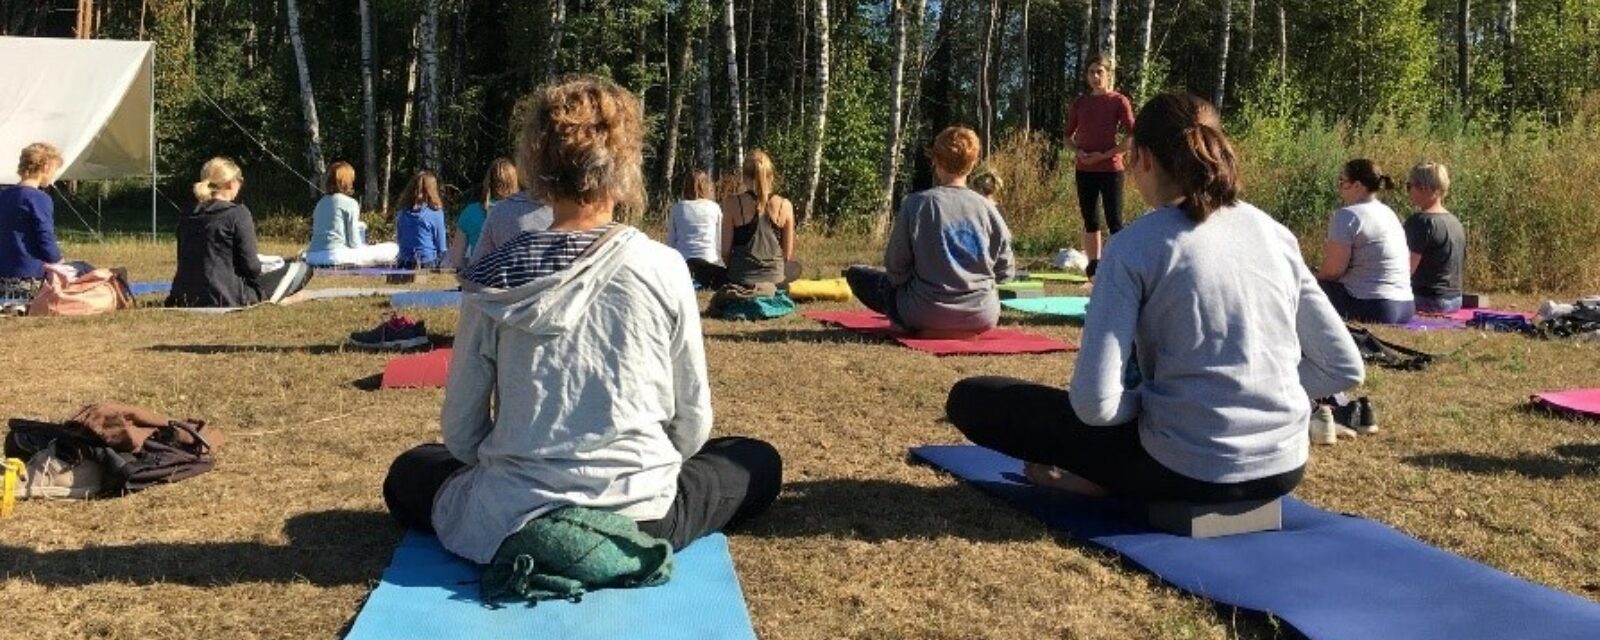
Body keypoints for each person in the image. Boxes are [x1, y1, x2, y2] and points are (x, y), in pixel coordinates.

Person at [382, 76, 782, 565]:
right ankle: (604, 537)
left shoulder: (493, 277)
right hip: (640, 510)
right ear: (627, 163)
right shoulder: (662, 266)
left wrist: (525, 466)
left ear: (538, 164)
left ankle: (544, 527)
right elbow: (692, 425)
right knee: (756, 460)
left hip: (513, 510)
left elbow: (462, 437)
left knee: (410, 472)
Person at [945, 93, 1364, 502]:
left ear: (1142, 158)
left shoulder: (1135, 244)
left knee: (972, 399)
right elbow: (1343, 365)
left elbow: (1095, 406)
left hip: (1183, 470)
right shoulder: (1276, 233)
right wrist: (1263, 396)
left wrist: (1166, 403)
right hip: (1281, 469)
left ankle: (1101, 482)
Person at [844, 127, 1015, 335]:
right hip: (982, 315)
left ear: (937, 162)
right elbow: (1005, 272)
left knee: (857, 274)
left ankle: (908, 321)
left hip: (923, 312)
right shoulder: (988, 208)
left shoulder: (916, 204)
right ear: (972, 164)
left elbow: (896, 267)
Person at [167, 158, 311, 308]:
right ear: (231, 183)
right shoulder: (237, 213)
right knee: (303, 268)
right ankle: (278, 299)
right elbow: (251, 268)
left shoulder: (187, 214)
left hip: (184, 295)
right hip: (225, 295)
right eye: (240, 180)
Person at [1316, 159, 1415, 324]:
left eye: (1343, 182)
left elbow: (1333, 272)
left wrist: (1312, 276)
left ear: (1358, 186)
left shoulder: (1347, 215)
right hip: (1405, 305)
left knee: (1306, 285)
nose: (1339, 188)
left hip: (1372, 305)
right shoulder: (1389, 213)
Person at [1064, 55, 1135, 278]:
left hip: (1111, 170)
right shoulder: (1081, 103)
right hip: (1085, 170)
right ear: (1086, 76)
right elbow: (1067, 137)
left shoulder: (1118, 101)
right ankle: (1093, 270)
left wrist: (1105, 155)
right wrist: (1079, 152)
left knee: (1115, 220)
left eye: (1100, 72)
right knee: (1090, 219)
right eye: (1091, 72)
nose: (1095, 77)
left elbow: (1132, 136)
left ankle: (1118, 268)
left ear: (1108, 75)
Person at [686, 151, 800, 288]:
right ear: (771, 176)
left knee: (693, 263)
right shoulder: (785, 205)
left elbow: (725, 253)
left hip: (741, 278)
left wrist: (736, 270)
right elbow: (787, 255)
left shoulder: (732, 203)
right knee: (795, 268)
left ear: (744, 176)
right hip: (774, 279)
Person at [0, 143, 71, 304]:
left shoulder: (3, 196)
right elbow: (45, 237)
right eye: (54, 169)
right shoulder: (39, 198)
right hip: (30, 279)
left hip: (2, 278)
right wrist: (59, 263)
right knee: (83, 269)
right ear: (46, 166)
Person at [305, 161, 399, 267]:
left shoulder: (320, 203)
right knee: (393, 247)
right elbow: (354, 243)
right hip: (336, 255)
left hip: (312, 256)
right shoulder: (350, 203)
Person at [1402, 162, 1466, 314]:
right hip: (1456, 299)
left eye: (1409, 186)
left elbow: (1406, 269)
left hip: (1429, 299)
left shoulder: (1420, 222)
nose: (1408, 191)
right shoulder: (1455, 221)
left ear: (1423, 188)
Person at [448, 158, 519, 271]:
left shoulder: (469, 212)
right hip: (514, 282)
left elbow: (456, 261)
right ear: (515, 183)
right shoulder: (521, 212)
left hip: (480, 281)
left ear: (487, 181)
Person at [393, 170, 449, 269]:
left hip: (403, 263)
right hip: (427, 263)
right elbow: (441, 247)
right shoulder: (435, 214)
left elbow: (400, 239)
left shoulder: (402, 213)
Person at [665, 169, 722, 265]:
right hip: (710, 259)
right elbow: (719, 240)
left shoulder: (677, 208)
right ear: (706, 186)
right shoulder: (714, 207)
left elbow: (671, 241)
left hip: (683, 260)